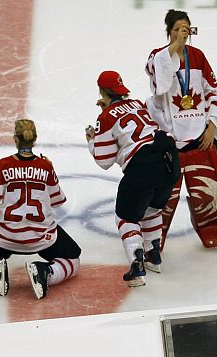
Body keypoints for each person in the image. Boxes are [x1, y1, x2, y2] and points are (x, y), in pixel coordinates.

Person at [144, 9, 217, 251]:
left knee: (210, 191)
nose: (181, 34)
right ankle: (152, 241)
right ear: (169, 31)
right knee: (163, 198)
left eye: (185, 29)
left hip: (200, 137)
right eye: (176, 30)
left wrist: (212, 127)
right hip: (170, 140)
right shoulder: (157, 57)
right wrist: (174, 46)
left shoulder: (198, 56)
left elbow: (215, 93)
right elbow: (159, 88)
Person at [86, 71, 179, 286]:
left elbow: (104, 160)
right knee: (152, 209)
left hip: (142, 166)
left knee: (125, 217)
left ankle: (136, 267)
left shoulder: (106, 117)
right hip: (169, 162)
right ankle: (153, 256)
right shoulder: (137, 104)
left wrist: (92, 141)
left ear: (101, 91)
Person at [0, 119, 81, 300]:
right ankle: (46, 271)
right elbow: (58, 200)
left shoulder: (3, 165)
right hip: (42, 237)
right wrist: (50, 169)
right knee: (73, 259)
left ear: (15, 139)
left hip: (7, 236)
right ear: (35, 139)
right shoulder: (45, 166)